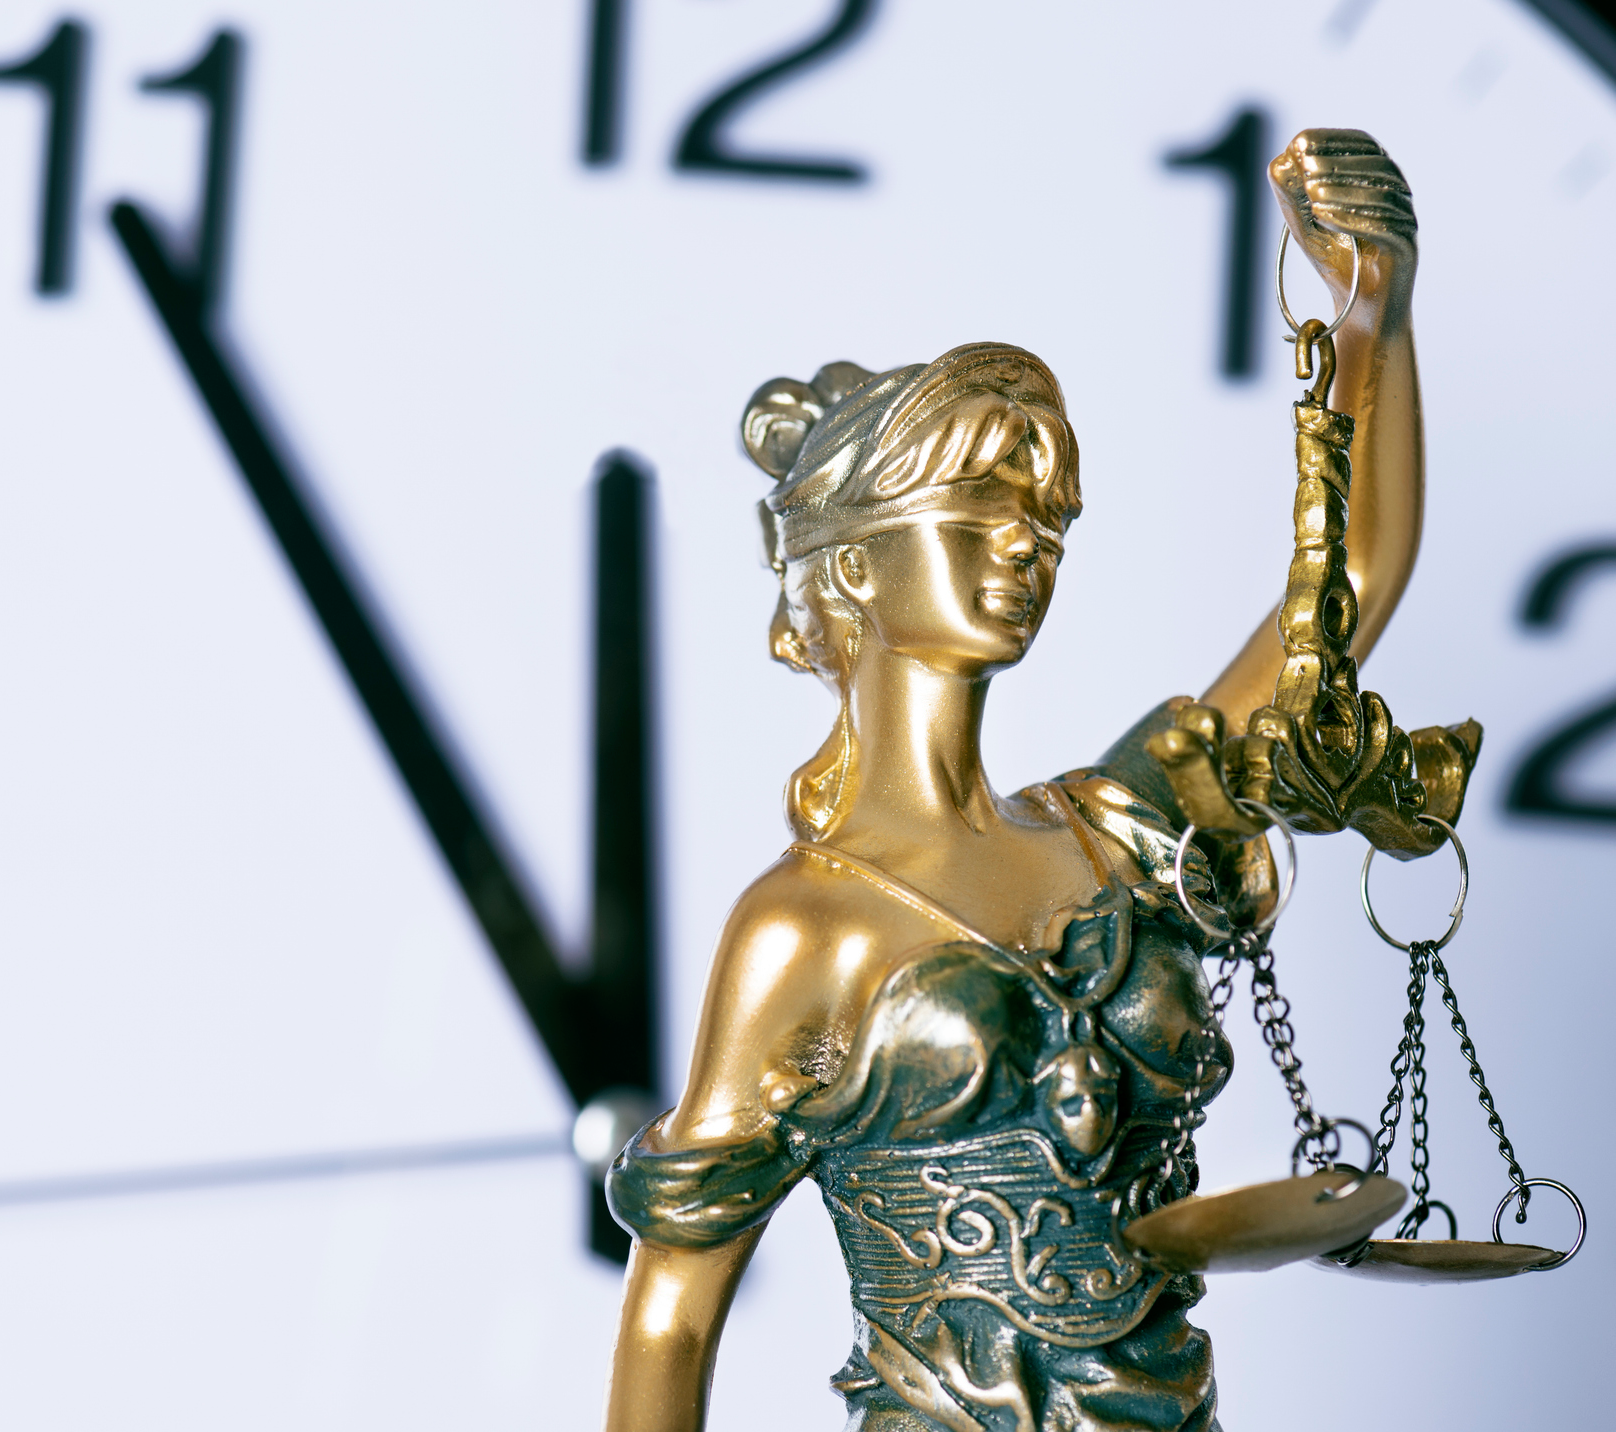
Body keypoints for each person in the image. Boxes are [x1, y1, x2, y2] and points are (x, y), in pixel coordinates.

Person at [600, 129, 1422, 1432]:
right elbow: (671, 1310)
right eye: (976, 511)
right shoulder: (805, 927)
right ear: (854, 564)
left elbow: (1346, 594)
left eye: (1046, 522)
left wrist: (1374, 306)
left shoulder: (1112, 834)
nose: (1023, 549)